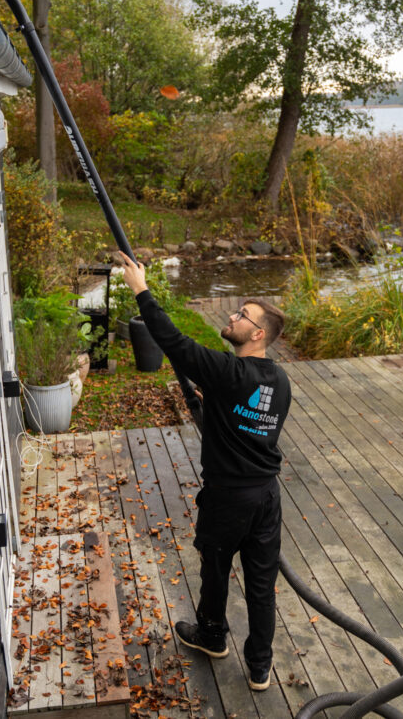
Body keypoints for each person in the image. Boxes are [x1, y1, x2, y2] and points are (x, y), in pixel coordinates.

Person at [119, 252, 291, 691]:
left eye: (242, 315)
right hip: (267, 498)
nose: (232, 316)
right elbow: (242, 420)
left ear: (256, 333)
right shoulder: (278, 380)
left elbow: (176, 344)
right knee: (261, 584)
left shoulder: (229, 371)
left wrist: (142, 289)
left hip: (228, 498)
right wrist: (210, 400)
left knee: (214, 568)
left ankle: (212, 636)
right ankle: (260, 667)